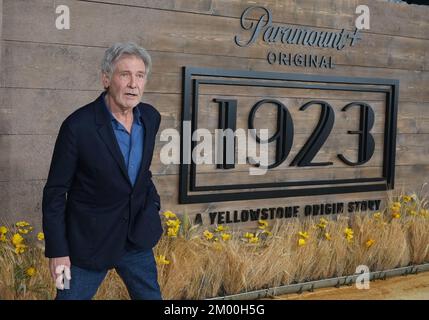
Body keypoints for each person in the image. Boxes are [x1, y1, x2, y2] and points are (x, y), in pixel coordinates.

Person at [42, 42, 163, 300]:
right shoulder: (78, 126)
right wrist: (58, 251)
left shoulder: (151, 118)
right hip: (87, 245)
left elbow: (141, 173)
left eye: (140, 75)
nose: (133, 83)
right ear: (106, 78)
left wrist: (152, 206)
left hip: (135, 239)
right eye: (125, 74)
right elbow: (54, 193)